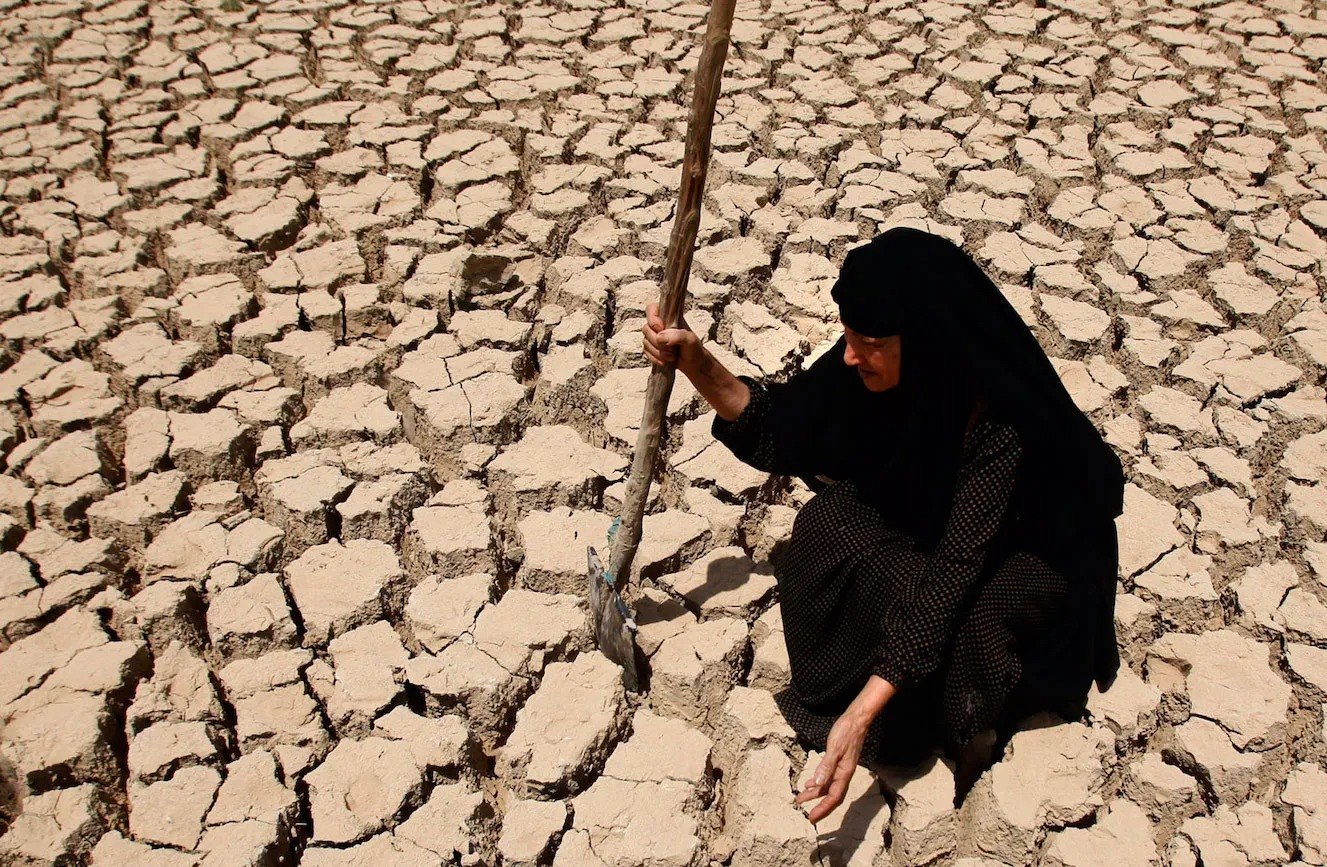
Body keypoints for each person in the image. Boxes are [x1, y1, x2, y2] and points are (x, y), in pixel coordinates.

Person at [641, 226, 1126, 821]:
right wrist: (696, 363)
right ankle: (886, 688)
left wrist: (861, 715)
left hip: (1031, 551)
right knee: (830, 525)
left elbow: (954, 572)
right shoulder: (881, 364)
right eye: (847, 335)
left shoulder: (998, 421)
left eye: (868, 341)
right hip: (942, 523)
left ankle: (962, 728)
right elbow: (790, 427)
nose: (849, 355)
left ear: (923, 341)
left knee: (972, 628)